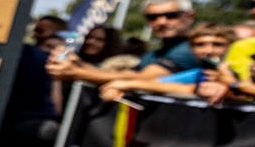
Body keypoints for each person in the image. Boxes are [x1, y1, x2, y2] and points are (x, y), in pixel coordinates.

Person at [51, 0, 199, 88]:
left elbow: (141, 79)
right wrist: (76, 63)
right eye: (152, 17)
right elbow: (127, 75)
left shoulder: (192, 49)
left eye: (171, 15)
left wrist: (75, 72)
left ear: (190, 17)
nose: (161, 22)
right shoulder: (154, 54)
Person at [98, 25, 234, 100]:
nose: (208, 51)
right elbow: (159, 83)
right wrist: (119, 86)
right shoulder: (197, 73)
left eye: (218, 44)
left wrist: (127, 84)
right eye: (200, 45)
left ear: (232, 45)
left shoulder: (241, 70)